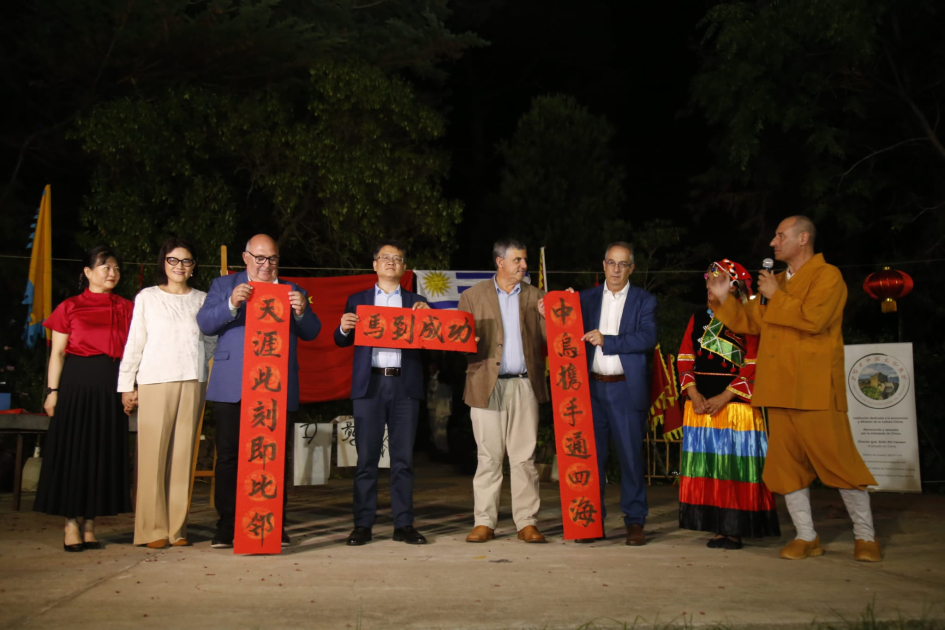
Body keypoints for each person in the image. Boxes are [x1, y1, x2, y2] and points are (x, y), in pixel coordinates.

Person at [707, 216, 881, 562]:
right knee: (786, 467)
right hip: (778, 390)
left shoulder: (828, 276)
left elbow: (814, 320)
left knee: (840, 463)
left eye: (780, 236)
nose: (773, 242)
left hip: (815, 390)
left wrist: (776, 294)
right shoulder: (779, 281)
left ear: (803, 239)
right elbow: (749, 323)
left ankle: (866, 537)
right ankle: (807, 536)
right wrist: (724, 299)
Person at [196, 234, 321, 549]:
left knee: (275, 457)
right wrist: (231, 304)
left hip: (275, 388)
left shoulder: (293, 290)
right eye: (260, 258)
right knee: (229, 457)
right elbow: (206, 323)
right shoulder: (225, 285)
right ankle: (226, 524)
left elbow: (313, 331)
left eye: (273, 259)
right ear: (246, 257)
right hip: (234, 385)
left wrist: (302, 311)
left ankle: (273, 522)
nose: (267, 265)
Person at [118, 237, 217, 549]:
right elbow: (135, 341)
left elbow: (211, 339)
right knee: (152, 457)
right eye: (173, 260)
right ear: (164, 263)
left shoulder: (203, 299)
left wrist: (206, 368)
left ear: (194, 267)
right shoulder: (148, 297)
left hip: (192, 380)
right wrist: (126, 385)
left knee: (183, 456)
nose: (179, 266)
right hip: (155, 380)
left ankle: (176, 528)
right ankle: (151, 529)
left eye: (186, 261)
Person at [35, 246, 134, 551]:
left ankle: (91, 524)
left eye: (116, 268)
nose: (112, 273)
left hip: (111, 384)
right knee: (74, 451)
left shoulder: (127, 307)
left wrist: (132, 386)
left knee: (103, 452)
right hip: (77, 383)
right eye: (105, 267)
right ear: (88, 273)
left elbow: (137, 350)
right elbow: (57, 354)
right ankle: (70, 524)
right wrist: (52, 392)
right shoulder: (70, 306)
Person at [677, 259, 780, 550]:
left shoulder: (750, 319)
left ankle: (734, 528)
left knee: (734, 469)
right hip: (701, 407)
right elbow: (685, 357)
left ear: (733, 287)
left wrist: (726, 396)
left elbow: (754, 362)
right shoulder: (698, 318)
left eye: (716, 281)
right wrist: (693, 393)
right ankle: (716, 527)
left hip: (736, 408)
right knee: (709, 469)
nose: (708, 286)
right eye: (708, 281)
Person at [334, 240, 429, 546]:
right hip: (370, 385)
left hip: (404, 385)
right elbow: (340, 340)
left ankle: (404, 524)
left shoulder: (416, 302)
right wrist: (345, 328)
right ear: (374, 265)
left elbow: (432, 342)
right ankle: (363, 524)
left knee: (403, 460)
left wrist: (428, 318)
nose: (391, 262)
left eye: (397, 259)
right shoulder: (358, 300)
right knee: (367, 460)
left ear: (404, 268)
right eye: (385, 257)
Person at [459, 238, 549, 544]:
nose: (524, 266)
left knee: (524, 457)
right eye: (518, 260)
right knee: (488, 457)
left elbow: (553, 340)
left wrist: (552, 314)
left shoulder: (537, 295)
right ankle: (484, 521)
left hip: (525, 384)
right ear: (500, 262)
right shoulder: (472, 296)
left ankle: (526, 521)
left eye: (524, 260)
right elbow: (459, 342)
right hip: (486, 384)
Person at [574, 242, 657, 545]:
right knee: (591, 459)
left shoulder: (643, 300)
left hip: (625, 389)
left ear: (631, 268)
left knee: (630, 459)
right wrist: (550, 307)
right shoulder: (587, 298)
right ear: (604, 265)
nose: (617, 270)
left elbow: (647, 338)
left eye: (623, 264)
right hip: (591, 390)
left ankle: (635, 521)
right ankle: (591, 522)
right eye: (612, 263)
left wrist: (607, 341)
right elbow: (563, 321)